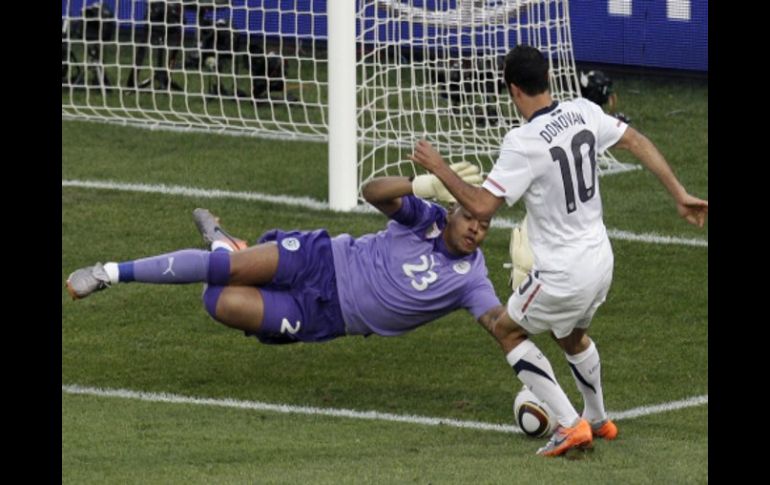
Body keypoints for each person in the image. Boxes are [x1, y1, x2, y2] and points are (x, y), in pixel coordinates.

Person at [409, 44, 708, 457]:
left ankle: (570, 424)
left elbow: (481, 206)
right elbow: (636, 140)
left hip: (564, 272)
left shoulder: (523, 142)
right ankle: (598, 418)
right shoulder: (584, 111)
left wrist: (439, 168)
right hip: (601, 260)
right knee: (570, 335)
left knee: (506, 329)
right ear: (549, 78)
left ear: (513, 90)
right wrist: (679, 194)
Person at [66, 170, 517, 351]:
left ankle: (225, 244)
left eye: (484, 225)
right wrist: (420, 184)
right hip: (322, 260)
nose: (476, 230)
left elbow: (499, 324)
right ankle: (110, 272)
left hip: (327, 316)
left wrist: (531, 294)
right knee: (225, 271)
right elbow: (372, 193)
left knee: (218, 301)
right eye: (470, 217)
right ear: (452, 211)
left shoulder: (472, 280)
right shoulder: (426, 218)